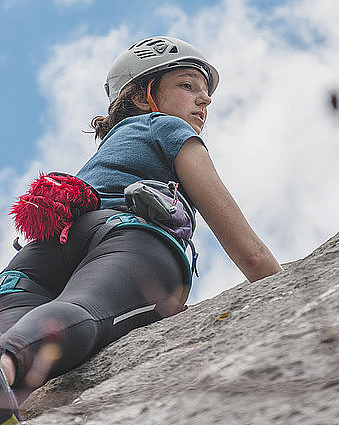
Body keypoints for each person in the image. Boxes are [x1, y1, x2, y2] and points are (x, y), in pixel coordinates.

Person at [0, 36, 282, 423]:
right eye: (187, 85)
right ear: (143, 96)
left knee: (10, 332)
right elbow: (249, 251)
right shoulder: (166, 127)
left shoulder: (108, 149)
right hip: (128, 237)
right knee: (85, 309)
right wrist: (285, 289)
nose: (205, 100)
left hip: (41, 252)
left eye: (204, 91)